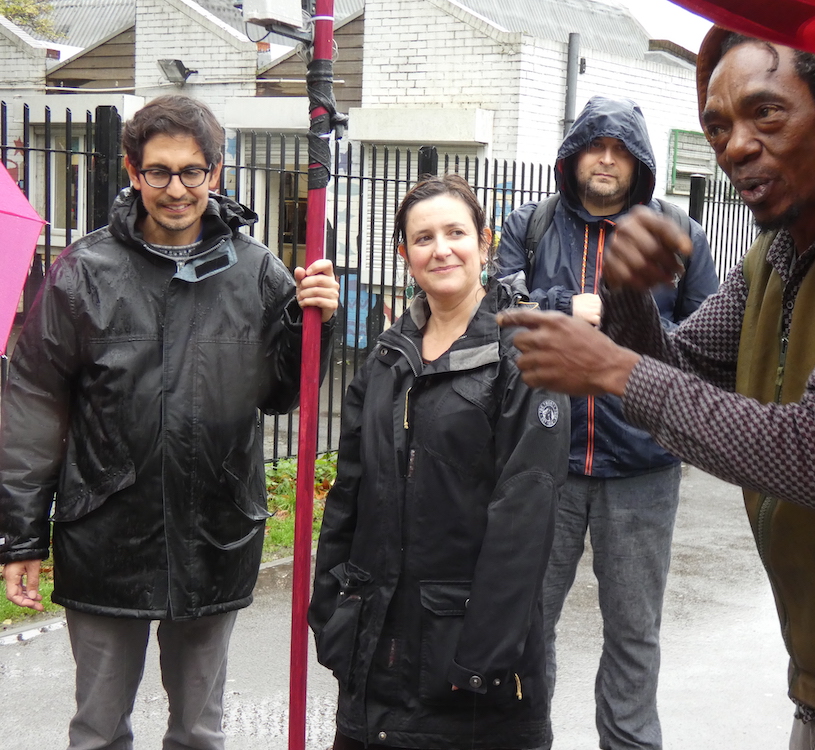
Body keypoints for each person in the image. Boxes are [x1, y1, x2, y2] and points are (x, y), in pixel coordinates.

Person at [498, 27, 815, 750]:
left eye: (766, 112)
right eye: (717, 125)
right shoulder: (779, 253)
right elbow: (683, 369)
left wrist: (609, 365)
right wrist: (630, 296)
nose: (735, 145)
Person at [0, 94, 340, 750]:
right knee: (98, 730)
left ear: (215, 173)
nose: (176, 189)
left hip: (213, 539)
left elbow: (280, 393)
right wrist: (20, 540)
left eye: (191, 172)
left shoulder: (256, 270)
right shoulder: (82, 275)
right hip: (105, 540)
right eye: (158, 171)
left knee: (199, 733)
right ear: (132, 171)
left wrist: (311, 324)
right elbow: (34, 407)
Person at [308, 174, 570, 750]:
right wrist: (330, 606)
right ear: (404, 255)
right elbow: (350, 489)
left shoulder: (527, 354)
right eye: (423, 238)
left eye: (456, 232)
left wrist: (482, 656)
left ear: (485, 242)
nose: (441, 248)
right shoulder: (385, 358)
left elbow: (525, 515)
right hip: (375, 654)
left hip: (469, 667)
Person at [496, 95, 718, 750]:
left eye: (622, 149)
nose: (606, 158)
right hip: (543, 464)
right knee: (529, 625)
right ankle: (524, 737)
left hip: (643, 469)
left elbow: (706, 348)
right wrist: (576, 306)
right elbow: (499, 322)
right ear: (572, 155)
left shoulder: (680, 236)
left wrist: (623, 324)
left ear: (641, 162)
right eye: (595, 145)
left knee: (634, 632)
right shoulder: (528, 227)